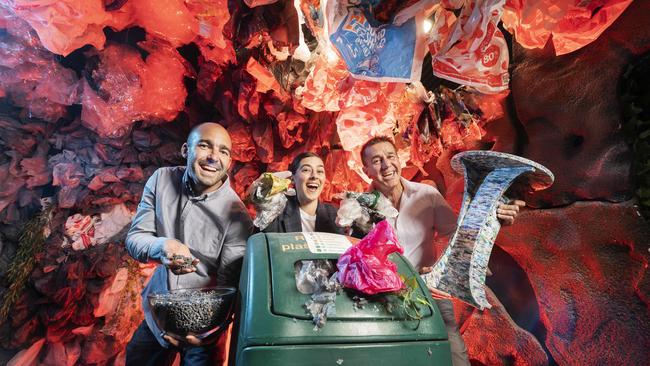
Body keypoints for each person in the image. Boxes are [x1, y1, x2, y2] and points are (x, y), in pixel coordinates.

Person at [359, 136, 524, 366]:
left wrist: (495, 217)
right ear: (366, 170)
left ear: (399, 159)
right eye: (376, 160)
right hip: (382, 299)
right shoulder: (358, 207)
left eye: (390, 156)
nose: (386, 165)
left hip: (430, 291)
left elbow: (460, 237)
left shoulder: (427, 195)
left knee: (454, 357)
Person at [124, 122, 253, 366]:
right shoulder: (161, 180)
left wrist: (209, 332)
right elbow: (135, 238)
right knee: (137, 358)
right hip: (159, 312)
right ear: (186, 149)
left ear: (229, 162)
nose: (213, 157)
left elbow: (229, 286)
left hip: (203, 328)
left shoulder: (237, 215)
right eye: (205, 146)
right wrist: (163, 246)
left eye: (223, 152)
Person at [254, 152, 345, 234]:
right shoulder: (277, 210)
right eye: (306, 170)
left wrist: (358, 225)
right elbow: (261, 242)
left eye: (320, 171)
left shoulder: (335, 215)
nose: (314, 176)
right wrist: (264, 193)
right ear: (292, 179)